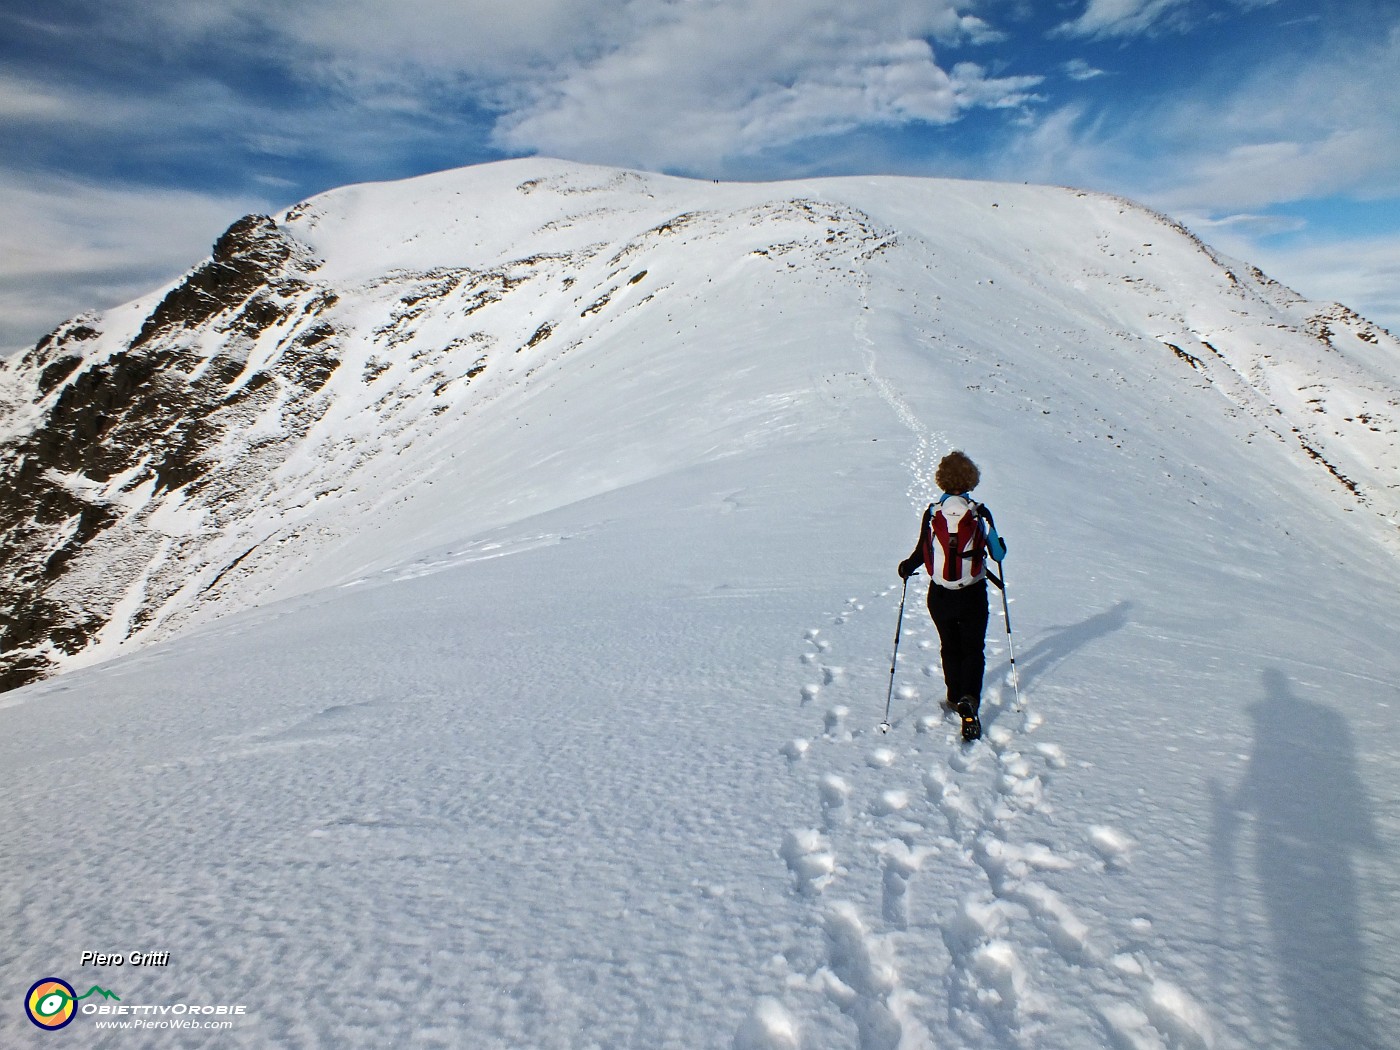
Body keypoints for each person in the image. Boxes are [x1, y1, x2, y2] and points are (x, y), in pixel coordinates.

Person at [897, 451, 1006, 741]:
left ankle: (954, 694)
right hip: (972, 593)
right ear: (971, 479)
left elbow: (922, 551)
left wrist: (906, 568)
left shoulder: (933, 512)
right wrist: (999, 545)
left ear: (942, 479)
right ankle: (969, 699)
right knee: (973, 648)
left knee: (949, 646)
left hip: (940, 595)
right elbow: (998, 554)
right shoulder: (980, 512)